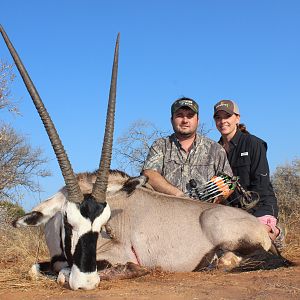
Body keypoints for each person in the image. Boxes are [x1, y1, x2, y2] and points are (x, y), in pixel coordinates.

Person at [213, 99, 283, 244]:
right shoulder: (214, 149)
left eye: (227, 116)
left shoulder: (254, 143)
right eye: (218, 117)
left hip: (259, 207)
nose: (222, 121)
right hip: (230, 212)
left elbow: (261, 186)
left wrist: (248, 219)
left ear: (237, 118)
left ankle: (275, 232)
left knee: (255, 241)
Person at [142, 97, 232, 198]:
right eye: (180, 115)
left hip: (204, 211)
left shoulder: (215, 149)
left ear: (197, 120)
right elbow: (149, 174)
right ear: (172, 120)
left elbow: (228, 182)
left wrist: (209, 200)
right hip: (167, 211)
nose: (185, 120)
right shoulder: (160, 146)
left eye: (190, 116)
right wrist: (179, 195)